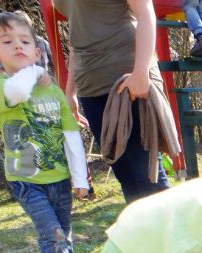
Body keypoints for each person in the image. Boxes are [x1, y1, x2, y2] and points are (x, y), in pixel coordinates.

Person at [0, 11, 90, 253]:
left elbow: (70, 136)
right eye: (7, 42)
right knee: (51, 232)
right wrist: (36, 70)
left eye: (25, 41)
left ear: (37, 49)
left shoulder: (54, 92)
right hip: (26, 180)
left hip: (59, 177)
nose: (18, 46)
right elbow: (18, 91)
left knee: (62, 232)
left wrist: (80, 178)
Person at [53, 0, 170, 204]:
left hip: (128, 79)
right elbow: (77, 35)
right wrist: (70, 91)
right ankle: (138, 224)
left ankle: (169, 225)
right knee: (125, 174)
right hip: (90, 86)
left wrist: (141, 72)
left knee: (147, 175)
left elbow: (145, 12)